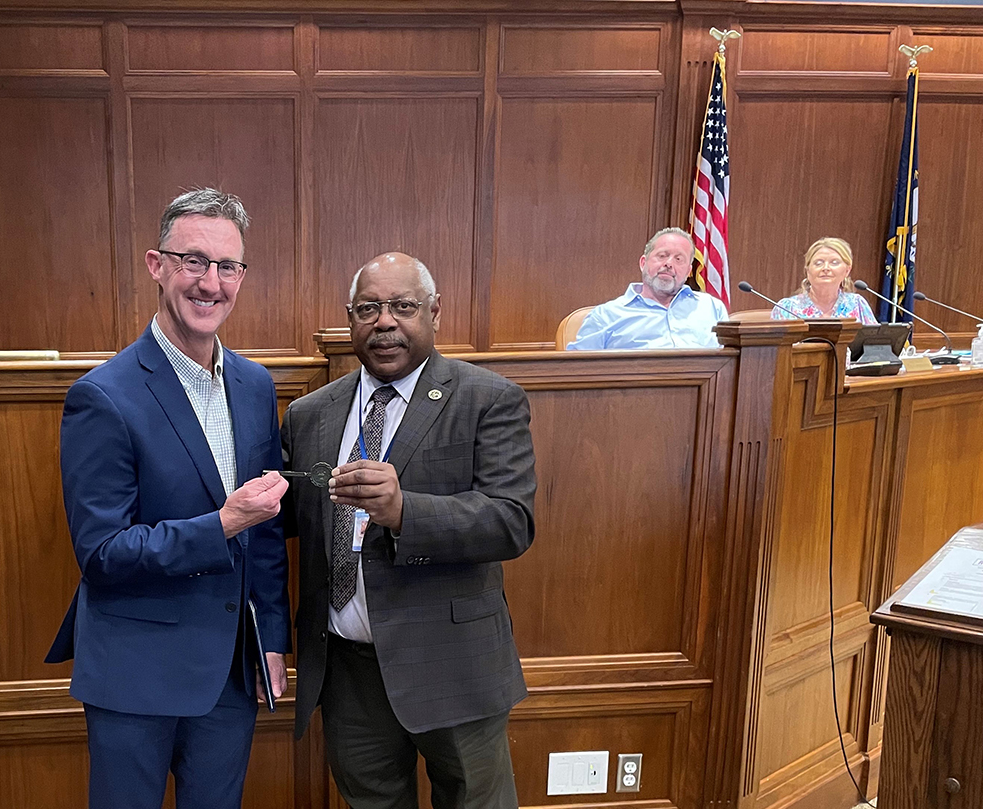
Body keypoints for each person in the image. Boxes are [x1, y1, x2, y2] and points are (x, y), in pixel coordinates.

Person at [45, 188, 291, 809]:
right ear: (157, 266)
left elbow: (263, 533)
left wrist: (272, 638)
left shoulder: (254, 384)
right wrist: (223, 522)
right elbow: (102, 552)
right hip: (137, 670)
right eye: (194, 262)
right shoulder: (103, 396)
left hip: (232, 672)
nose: (212, 283)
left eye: (228, 266)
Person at [282, 252, 537, 809]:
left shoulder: (487, 398)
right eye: (369, 308)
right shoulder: (310, 414)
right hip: (348, 672)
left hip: (453, 664)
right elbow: (290, 520)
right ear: (351, 317)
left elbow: (511, 521)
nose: (385, 321)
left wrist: (404, 512)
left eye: (403, 306)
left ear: (434, 312)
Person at [567, 227, 729, 350]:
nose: (669, 264)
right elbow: (577, 371)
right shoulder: (606, 316)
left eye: (679, 259)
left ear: (688, 272)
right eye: (662, 255)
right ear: (643, 263)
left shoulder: (712, 308)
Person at [770, 237, 878, 324]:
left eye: (834, 262)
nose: (826, 268)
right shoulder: (786, 308)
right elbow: (773, 349)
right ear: (807, 271)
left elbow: (873, 346)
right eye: (818, 263)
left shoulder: (857, 304)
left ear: (847, 270)